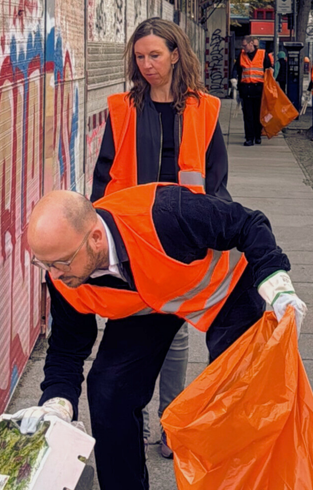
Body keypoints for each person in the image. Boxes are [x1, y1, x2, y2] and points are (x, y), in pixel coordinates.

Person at [9, 185, 307, 490]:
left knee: (232, 401)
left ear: (96, 238)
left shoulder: (165, 214)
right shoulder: (65, 276)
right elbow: (66, 351)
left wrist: (276, 280)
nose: (54, 275)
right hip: (152, 303)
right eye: (44, 264)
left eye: (60, 262)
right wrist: (56, 405)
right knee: (109, 391)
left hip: (225, 292)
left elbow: (248, 223)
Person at [89, 17, 231, 460]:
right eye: (140, 57)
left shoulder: (204, 108)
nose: (147, 64)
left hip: (182, 236)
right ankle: (136, 415)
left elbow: (216, 181)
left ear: (175, 54)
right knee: (129, 323)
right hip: (132, 236)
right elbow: (104, 177)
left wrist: (213, 231)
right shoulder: (124, 109)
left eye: (155, 55)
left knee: (176, 331)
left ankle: (171, 421)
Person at [230, 36, 272, 146]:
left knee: (258, 114)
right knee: (248, 115)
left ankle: (257, 136)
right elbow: (236, 69)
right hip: (246, 88)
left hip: (259, 88)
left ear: (251, 43)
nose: (243, 47)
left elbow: (269, 71)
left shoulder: (263, 54)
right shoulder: (241, 55)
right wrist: (234, 79)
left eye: (244, 45)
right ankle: (249, 138)